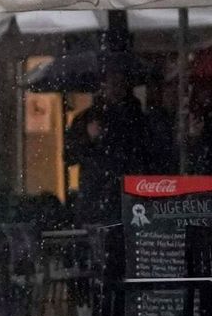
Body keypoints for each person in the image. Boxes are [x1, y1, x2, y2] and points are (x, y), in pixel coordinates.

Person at [65, 72, 156, 225]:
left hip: (121, 195)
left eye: (119, 84)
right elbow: (69, 156)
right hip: (100, 195)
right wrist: (89, 139)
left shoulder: (136, 118)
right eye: (111, 84)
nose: (115, 89)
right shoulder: (88, 118)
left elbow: (144, 154)